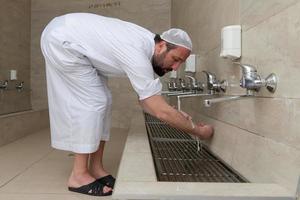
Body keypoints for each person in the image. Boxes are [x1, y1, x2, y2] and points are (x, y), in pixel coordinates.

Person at [40, 13, 213, 196]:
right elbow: (159, 111)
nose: (176, 68)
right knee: (93, 101)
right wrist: (198, 131)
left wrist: (174, 113)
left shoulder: (146, 47)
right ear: (162, 45)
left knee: (103, 100)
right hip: (61, 39)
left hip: (71, 38)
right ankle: (78, 176)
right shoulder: (137, 52)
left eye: (181, 63)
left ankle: (96, 168)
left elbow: (146, 102)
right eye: (176, 59)